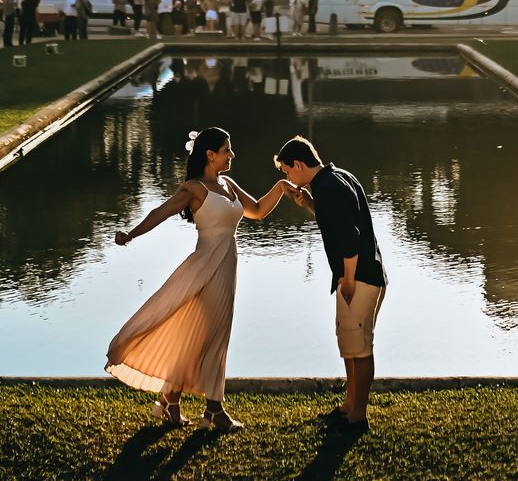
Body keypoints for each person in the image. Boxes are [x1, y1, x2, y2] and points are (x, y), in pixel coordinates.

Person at [107, 127, 289, 431]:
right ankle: (214, 411)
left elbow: (257, 210)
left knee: (201, 334)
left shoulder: (228, 184)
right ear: (210, 154)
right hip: (205, 266)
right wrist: (130, 234)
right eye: (227, 150)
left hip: (226, 264)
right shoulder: (193, 189)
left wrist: (281, 187)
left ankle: (171, 399)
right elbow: (161, 212)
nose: (232, 155)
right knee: (214, 336)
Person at [274, 135, 386, 433]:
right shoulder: (337, 177)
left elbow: (349, 239)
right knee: (349, 344)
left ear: (299, 164)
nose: (288, 177)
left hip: (359, 276)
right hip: (361, 272)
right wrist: (309, 204)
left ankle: (358, 416)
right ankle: (349, 406)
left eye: (287, 171)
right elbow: (337, 221)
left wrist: (347, 279)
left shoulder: (328, 187)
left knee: (360, 347)